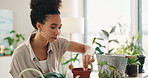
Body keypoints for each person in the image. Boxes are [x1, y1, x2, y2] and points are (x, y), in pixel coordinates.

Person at [9, 0, 95, 78]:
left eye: (59, 27)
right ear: (39, 26)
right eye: (53, 27)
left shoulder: (58, 43)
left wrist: (88, 54)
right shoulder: (20, 54)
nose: (57, 32)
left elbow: (87, 48)